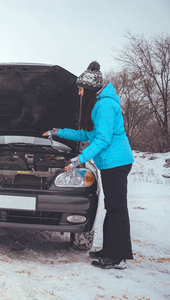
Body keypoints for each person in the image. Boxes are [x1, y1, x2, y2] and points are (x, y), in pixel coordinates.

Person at [43, 61, 135, 269]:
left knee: (117, 209)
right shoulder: (101, 103)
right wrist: (59, 132)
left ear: (91, 89)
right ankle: (110, 250)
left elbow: (102, 140)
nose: (79, 93)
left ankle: (117, 256)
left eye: (81, 89)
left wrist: (78, 159)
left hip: (116, 162)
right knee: (112, 207)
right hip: (112, 162)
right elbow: (88, 134)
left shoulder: (104, 106)